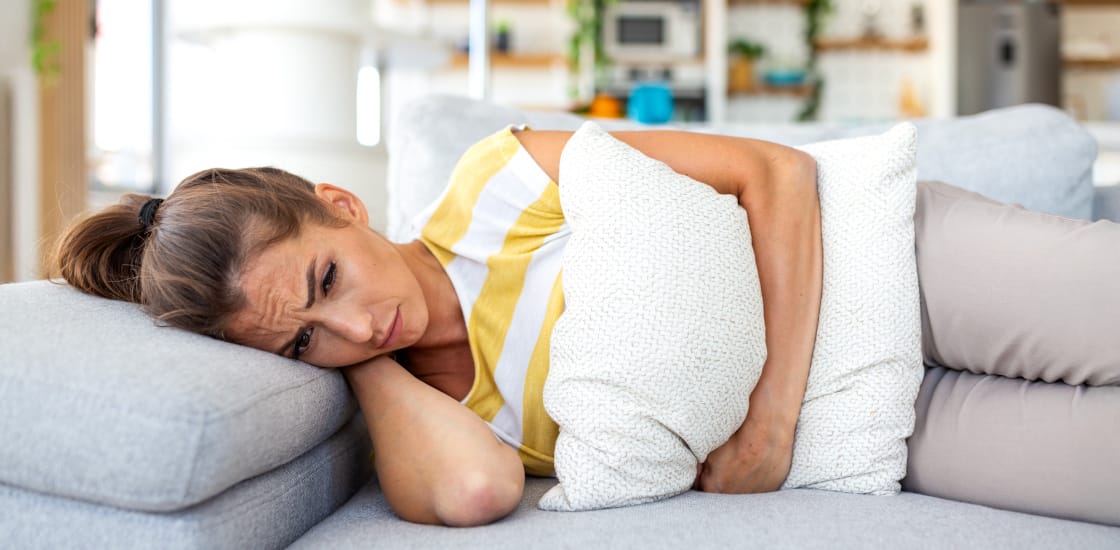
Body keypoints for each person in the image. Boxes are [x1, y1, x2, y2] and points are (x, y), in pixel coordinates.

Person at [54, 126, 823, 527]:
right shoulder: (429, 412)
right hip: (858, 425)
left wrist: (770, 426)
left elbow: (776, 172)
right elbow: (474, 490)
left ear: (344, 206)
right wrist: (363, 366)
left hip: (874, 267)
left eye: (328, 278)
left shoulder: (496, 186)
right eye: (302, 341)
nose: (358, 326)